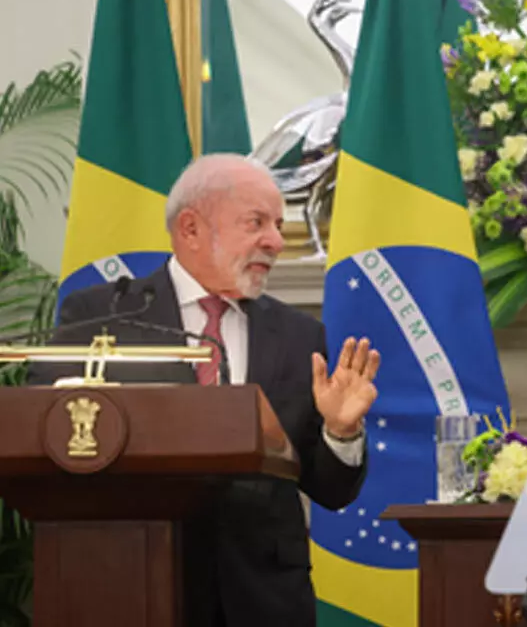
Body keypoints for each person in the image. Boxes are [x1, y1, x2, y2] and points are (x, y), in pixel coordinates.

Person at [30, 154, 380, 627]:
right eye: (256, 222)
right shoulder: (101, 318)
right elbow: (46, 436)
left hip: (264, 599)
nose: (276, 241)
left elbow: (331, 491)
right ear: (191, 229)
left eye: (278, 225)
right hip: (133, 582)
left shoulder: (300, 336)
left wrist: (341, 431)